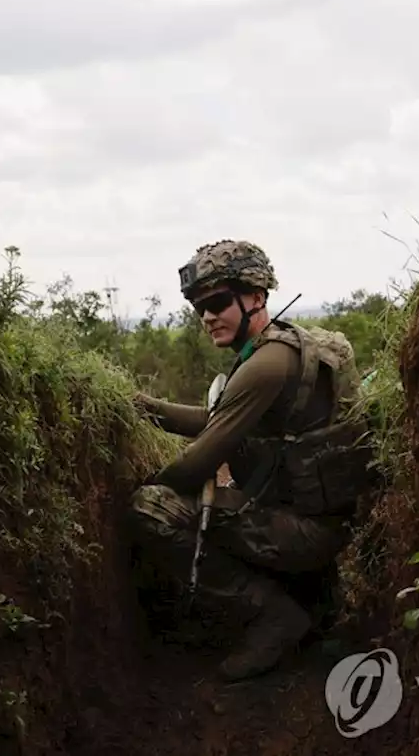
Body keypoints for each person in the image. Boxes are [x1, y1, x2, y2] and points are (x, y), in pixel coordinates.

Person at [129, 239, 368, 681]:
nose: (207, 317)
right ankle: (313, 596)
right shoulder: (284, 347)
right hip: (318, 522)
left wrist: (148, 480)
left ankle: (272, 616)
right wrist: (144, 406)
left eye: (218, 302)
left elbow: (196, 465)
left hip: (305, 533)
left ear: (256, 297)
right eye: (199, 308)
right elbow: (219, 419)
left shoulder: (265, 364)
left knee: (151, 507)